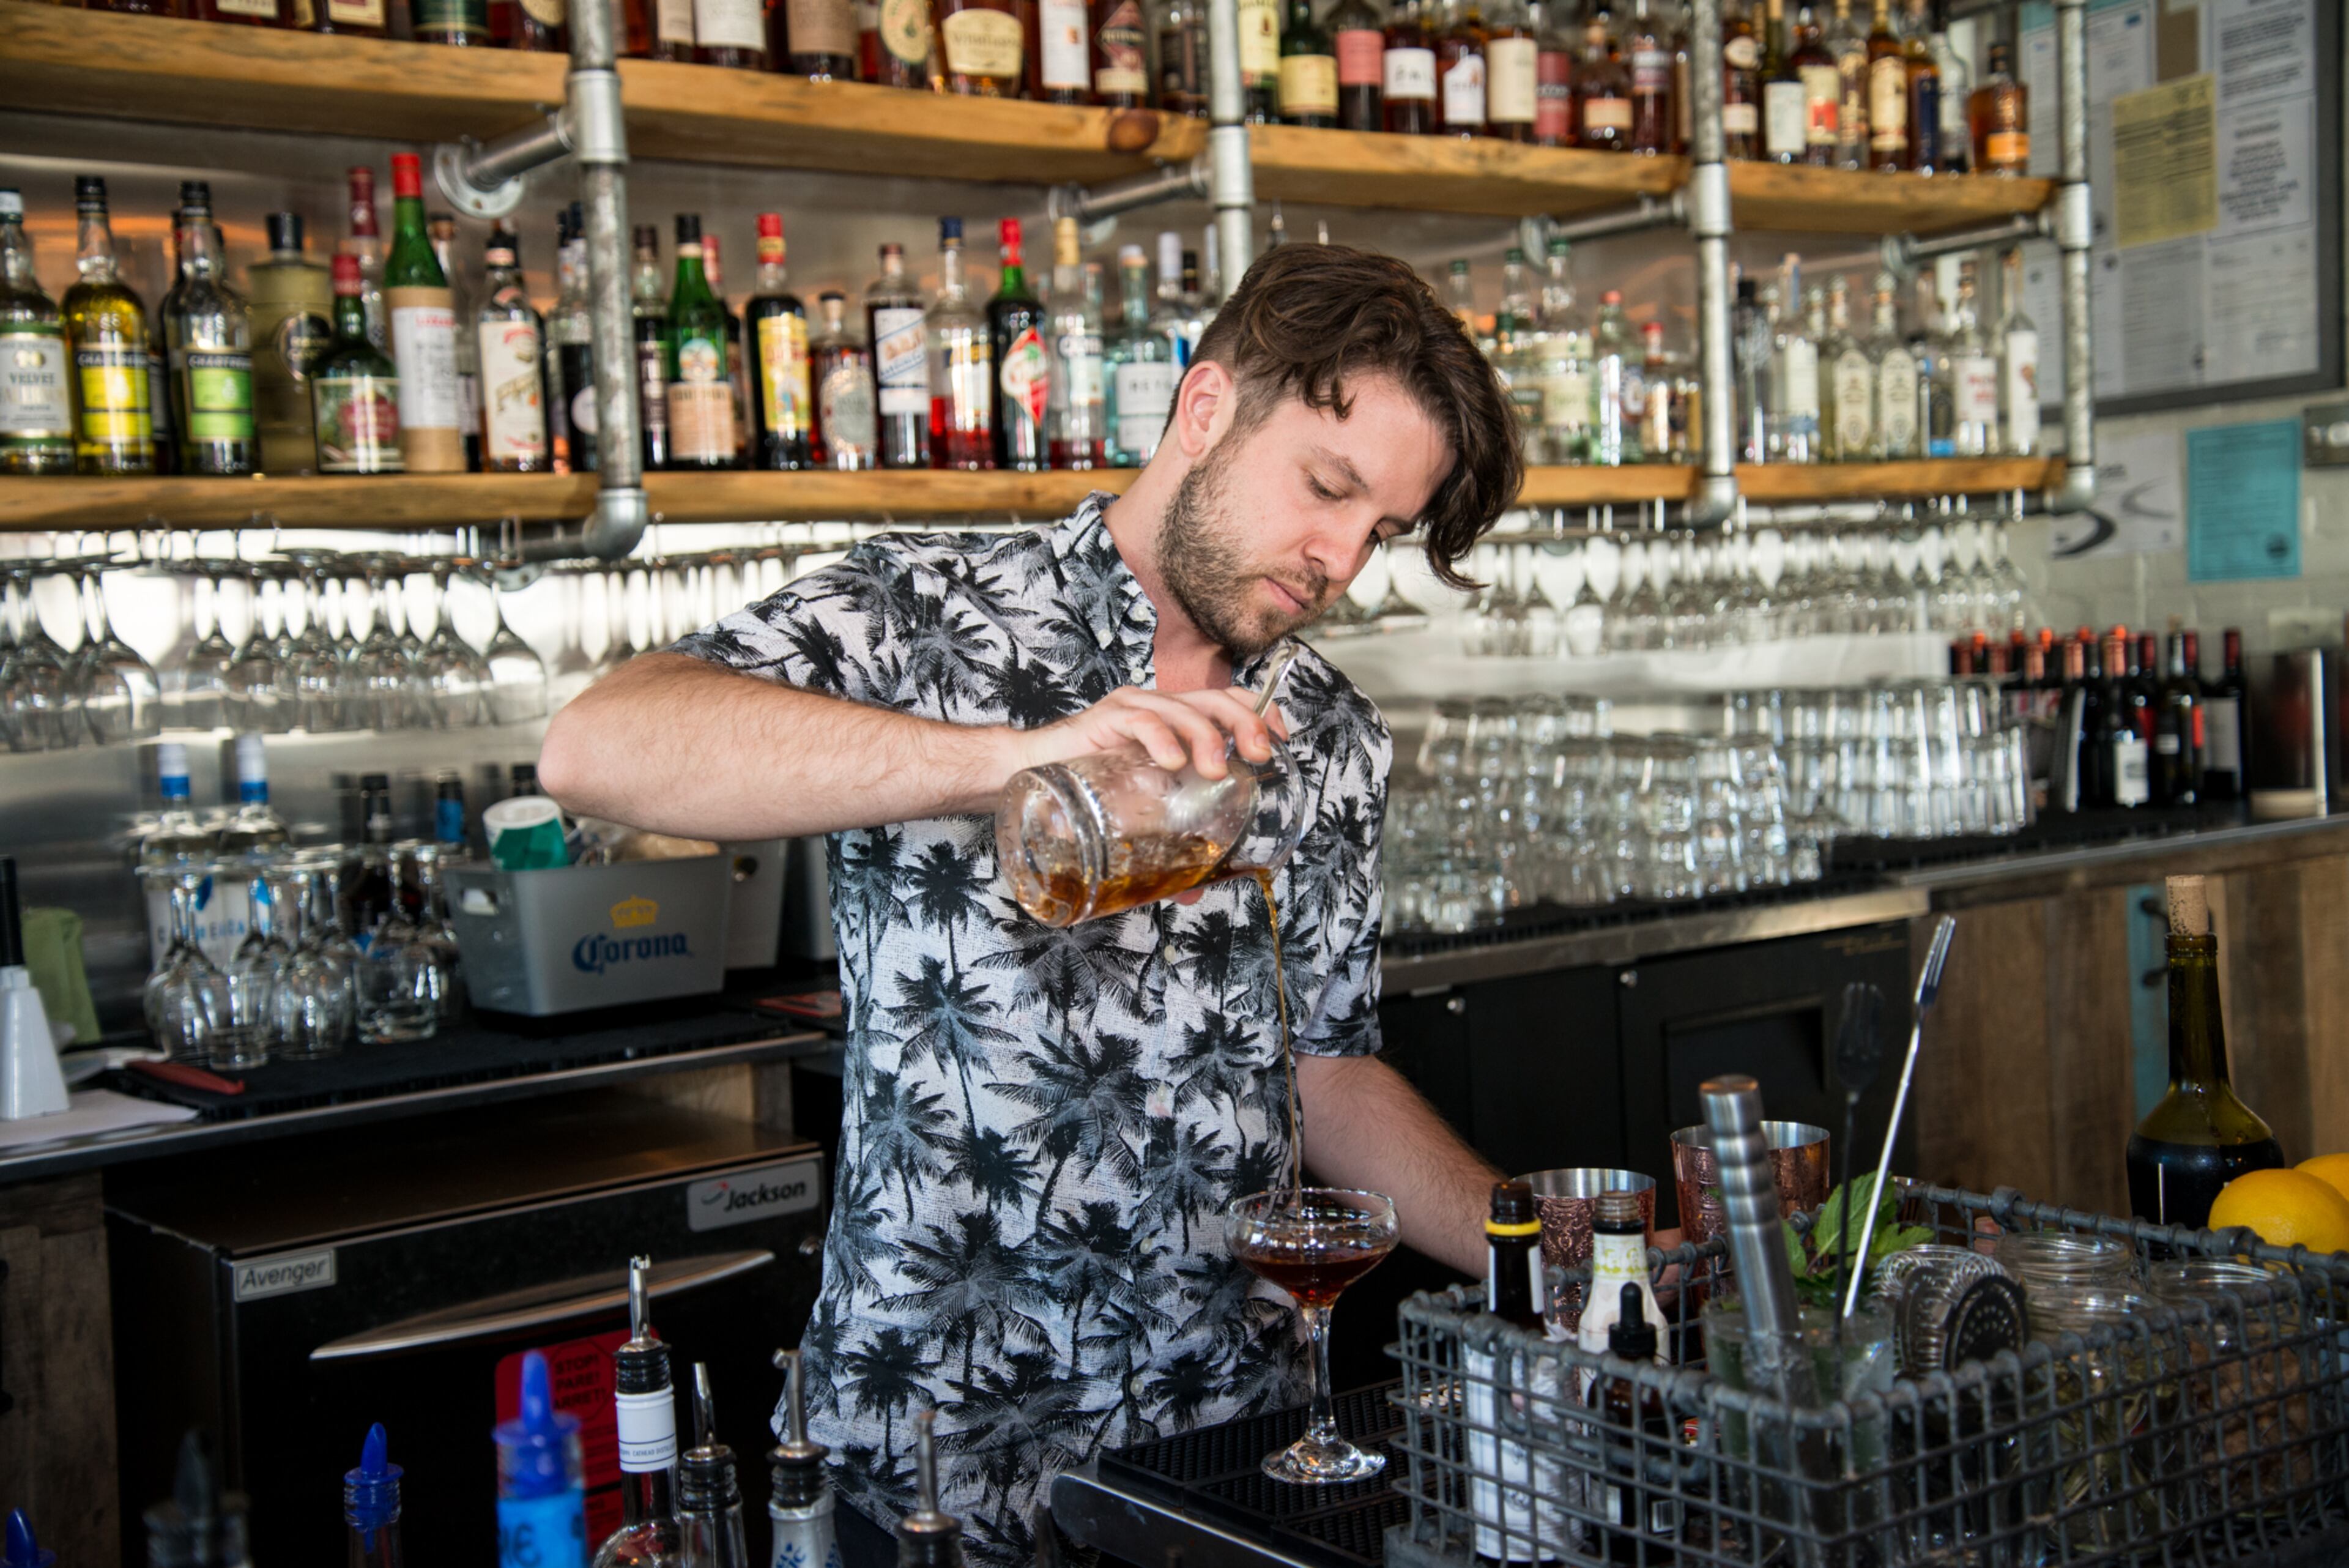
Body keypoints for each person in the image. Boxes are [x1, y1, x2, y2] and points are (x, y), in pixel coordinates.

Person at [538, 243, 1525, 1564]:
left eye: (1378, 531)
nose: (1339, 558)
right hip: (927, 1458)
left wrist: (1545, 1248)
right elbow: (597, 748)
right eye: (1328, 488)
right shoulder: (926, 612)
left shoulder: (1328, 734)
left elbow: (1328, 1069)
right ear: (1206, 409)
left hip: (1223, 1459)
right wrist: (1011, 759)